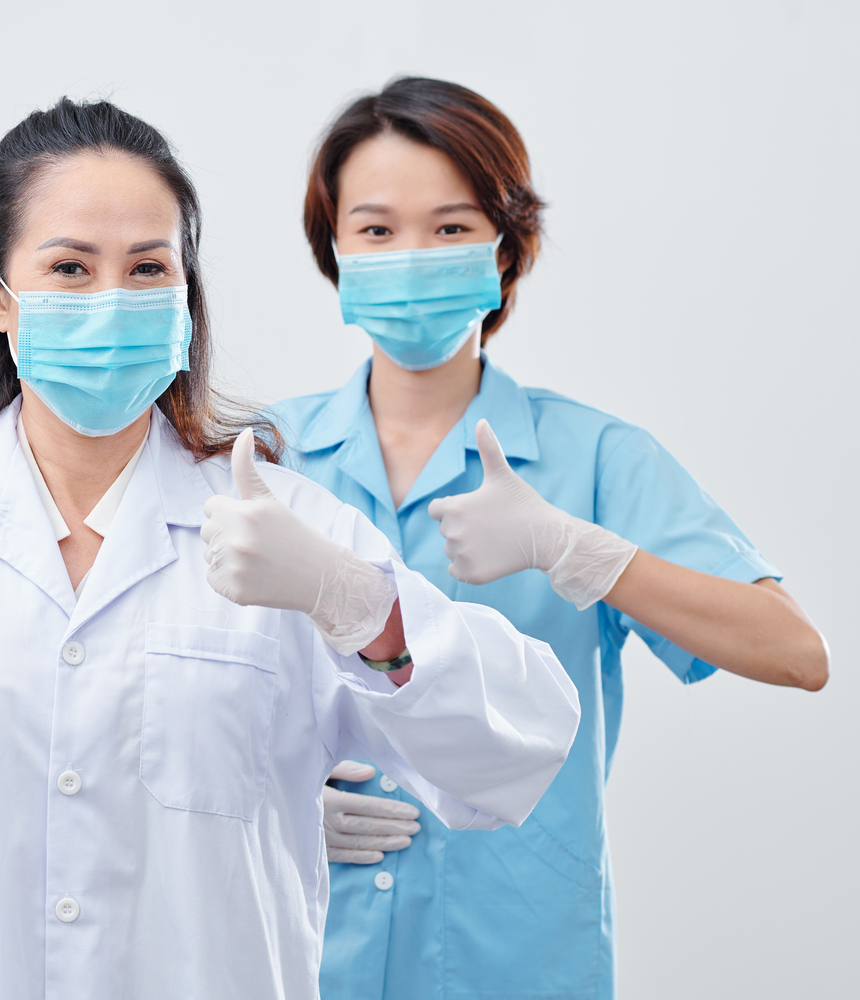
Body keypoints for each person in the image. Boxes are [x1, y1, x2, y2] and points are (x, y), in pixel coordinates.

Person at [0, 97, 581, 999]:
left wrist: (359, 604)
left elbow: (519, 750)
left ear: (185, 301)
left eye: (147, 268)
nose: (110, 299)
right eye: (71, 268)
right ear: (0, 300)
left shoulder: (286, 527)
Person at [268, 77, 829, 1000]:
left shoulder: (592, 459)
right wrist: (276, 797)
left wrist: (582, 552)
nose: (410, 255)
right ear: (334, 249)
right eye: (376, 230)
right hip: (298, 952)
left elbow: (795, 653)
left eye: (449, 227)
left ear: (505, 248)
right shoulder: (266, 460)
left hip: (518, 959)